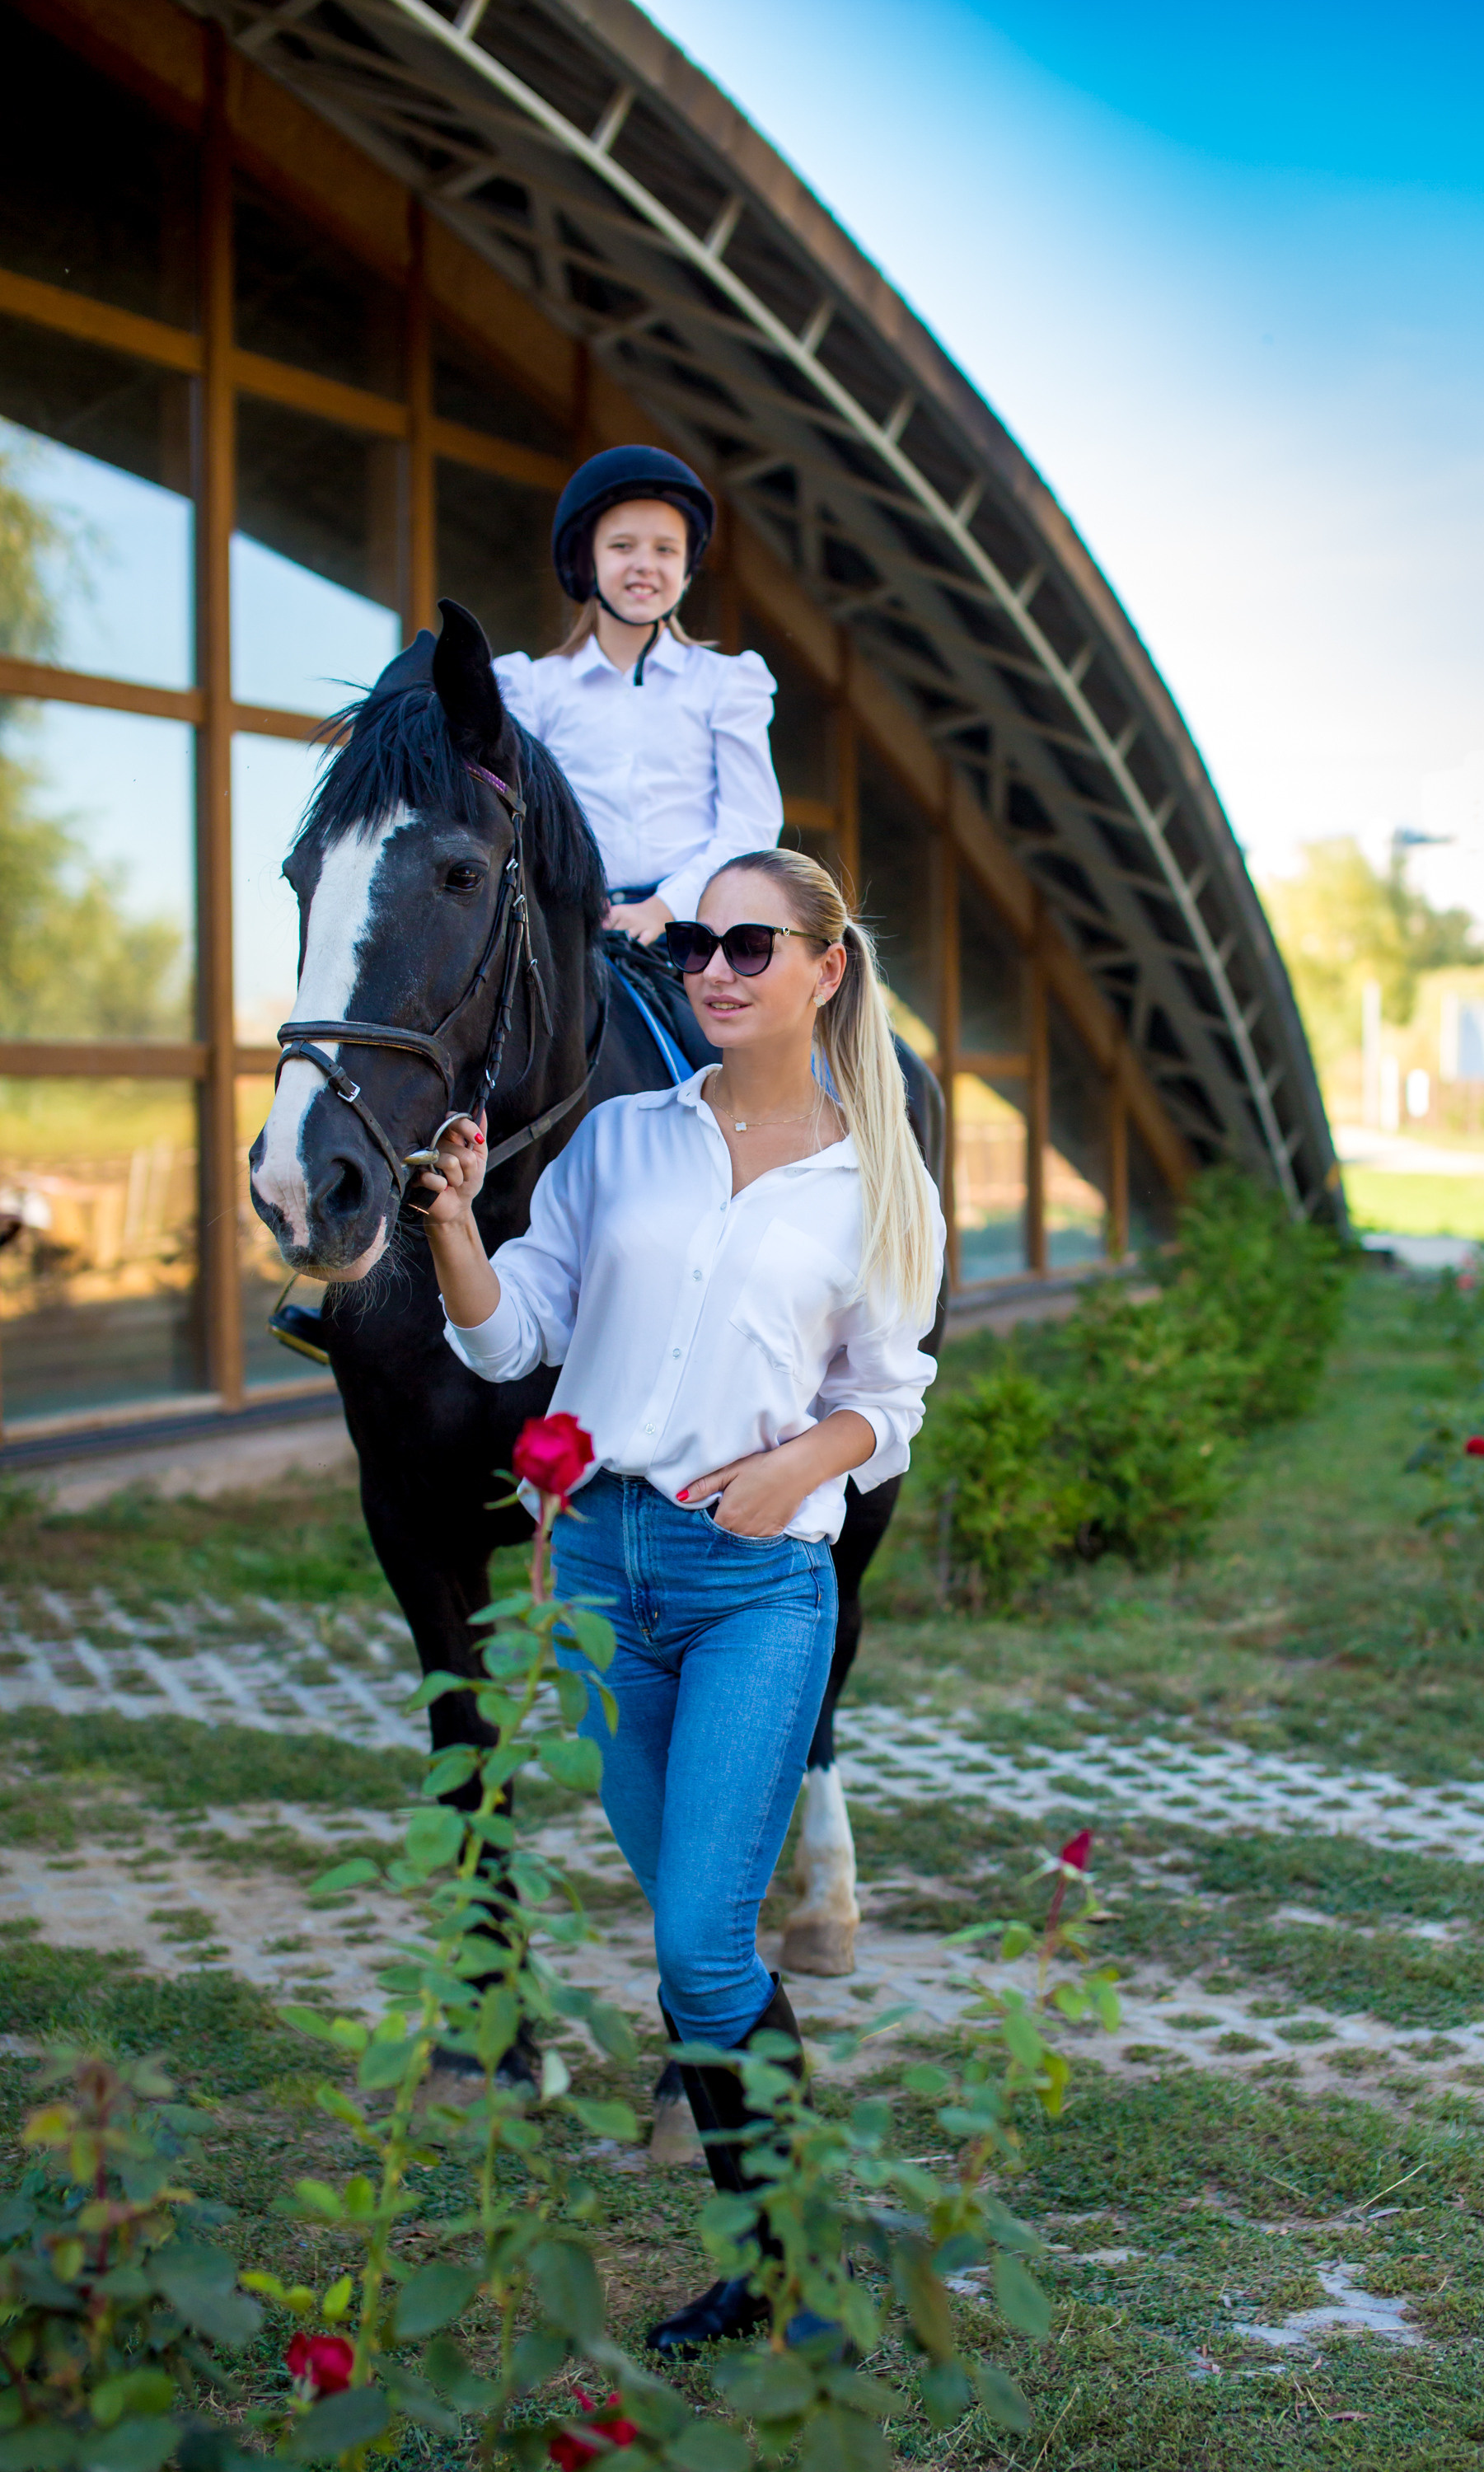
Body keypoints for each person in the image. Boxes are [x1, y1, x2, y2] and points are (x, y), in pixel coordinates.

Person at [417, 846, 943, 2356]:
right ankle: (786, 2253)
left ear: (825, 971)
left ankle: (784, 2266)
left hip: (751, 1588)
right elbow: (513, 1340)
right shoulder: (619, 1143)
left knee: (701, 1947)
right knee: (699, 1935)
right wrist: (455, 1224)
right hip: (597, 1574)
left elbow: (890, 1397)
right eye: (702, 942)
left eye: (751, 944)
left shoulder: (876, 1176)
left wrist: (803, 1470)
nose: (715, 965)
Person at [493, 444, 782, 947]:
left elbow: (751, 825)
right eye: (623, 546)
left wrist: (665, 907)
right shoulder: (535, 688)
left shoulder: (726, 682)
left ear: (687, 571)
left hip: (696, 929)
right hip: (570, 930)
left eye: (665, 549)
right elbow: (517, 818)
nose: (645, 564)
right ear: (587, 563)